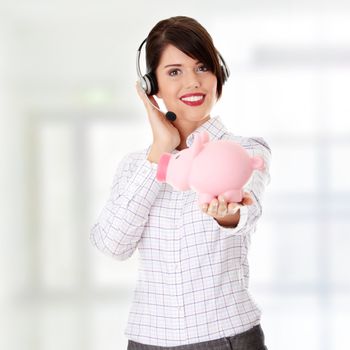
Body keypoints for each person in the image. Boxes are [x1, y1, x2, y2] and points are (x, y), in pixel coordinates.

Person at [90, 16, 271, 350]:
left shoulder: (246, 150)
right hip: (147, 340)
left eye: (202, 68)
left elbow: (245, 213)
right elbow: (112, 245)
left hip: (227, 337)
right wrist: (161, 150)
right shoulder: (136, 166)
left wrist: (226, 213)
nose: (193, 82)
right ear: (152, 86)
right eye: (175, 71)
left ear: (219, 75)